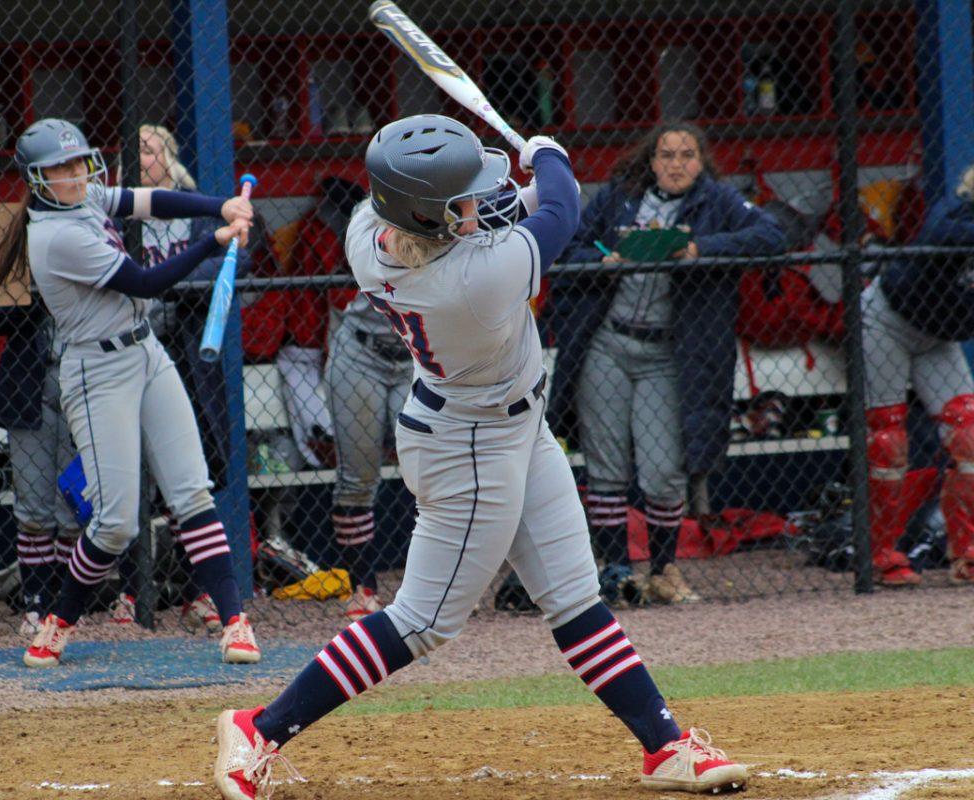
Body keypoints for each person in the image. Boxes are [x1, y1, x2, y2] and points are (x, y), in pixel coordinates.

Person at [213, 114, 749, 798]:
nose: (475, 204)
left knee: (574, 596)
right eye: (460, 200)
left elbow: (492, 211)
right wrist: (548, 151)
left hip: (513, 428)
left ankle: (665, 746)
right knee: (423, 621)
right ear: (435, 216)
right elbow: (561, 205)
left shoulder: (370, 233)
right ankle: (258, 728)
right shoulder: (476, 279)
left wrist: (500, 188)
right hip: (471, 448)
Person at [0, 118, 259, 667]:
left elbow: (146, 199)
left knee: (192, 491)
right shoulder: (57, 236)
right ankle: (58, 623)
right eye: (59, 168)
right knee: (115, 523)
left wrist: (218, 205)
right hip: (95, 371)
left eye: (78, 162)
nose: (75, 174)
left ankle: (235, 622)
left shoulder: (81, 198)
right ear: (37, 179)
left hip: (147, 352)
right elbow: (146, 282)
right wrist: (214, 241)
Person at [548, 122, 784, 605]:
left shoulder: (716, 201)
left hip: (668, 353)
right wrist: (602, 261)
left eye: (687, 155)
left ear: (701, 161)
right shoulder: (619, 197)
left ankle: (663, 570)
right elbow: (567, 247)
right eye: (666, 154)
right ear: (650, 160)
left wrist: (700, 249)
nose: (676, 164)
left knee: (661, 472)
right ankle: (616, 573)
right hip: (609, 345)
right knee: (607, 466)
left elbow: (772, 235)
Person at [104, 123, 250, 633]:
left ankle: (194, 594)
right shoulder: (115, 219)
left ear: (169, 158)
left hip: (188, 357)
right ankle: (128, 592)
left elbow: (229, 264)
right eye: (132, 150)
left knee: (193, 477)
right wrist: (166, 281)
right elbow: (118, 279)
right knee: (131, 480)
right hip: (126, 354)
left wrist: (166, 281)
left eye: (149, 149)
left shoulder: (192, 206)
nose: (141, 158)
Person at [862, 164, 974, 587]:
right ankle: (881, 555)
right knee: (888, 440)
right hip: (888, 321)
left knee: (968, 433)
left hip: (938, 338)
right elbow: (943, 236)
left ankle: (966, 553)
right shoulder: (958, 211)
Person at [319, 176, 409, 619]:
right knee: (358, 478)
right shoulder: (371, 212)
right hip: (360, 352)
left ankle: (431, 587)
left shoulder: (457, 215)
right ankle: (365, 585)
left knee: (431, 468)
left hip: (415, 357)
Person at [0, 303, 81, 634]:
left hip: (84, 376)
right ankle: (36, 605)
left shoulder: (95, 248)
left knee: (74, 507)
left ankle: (65, 608)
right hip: (28, 379)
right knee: (34, 507)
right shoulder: (17, 252)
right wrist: (39, 290)